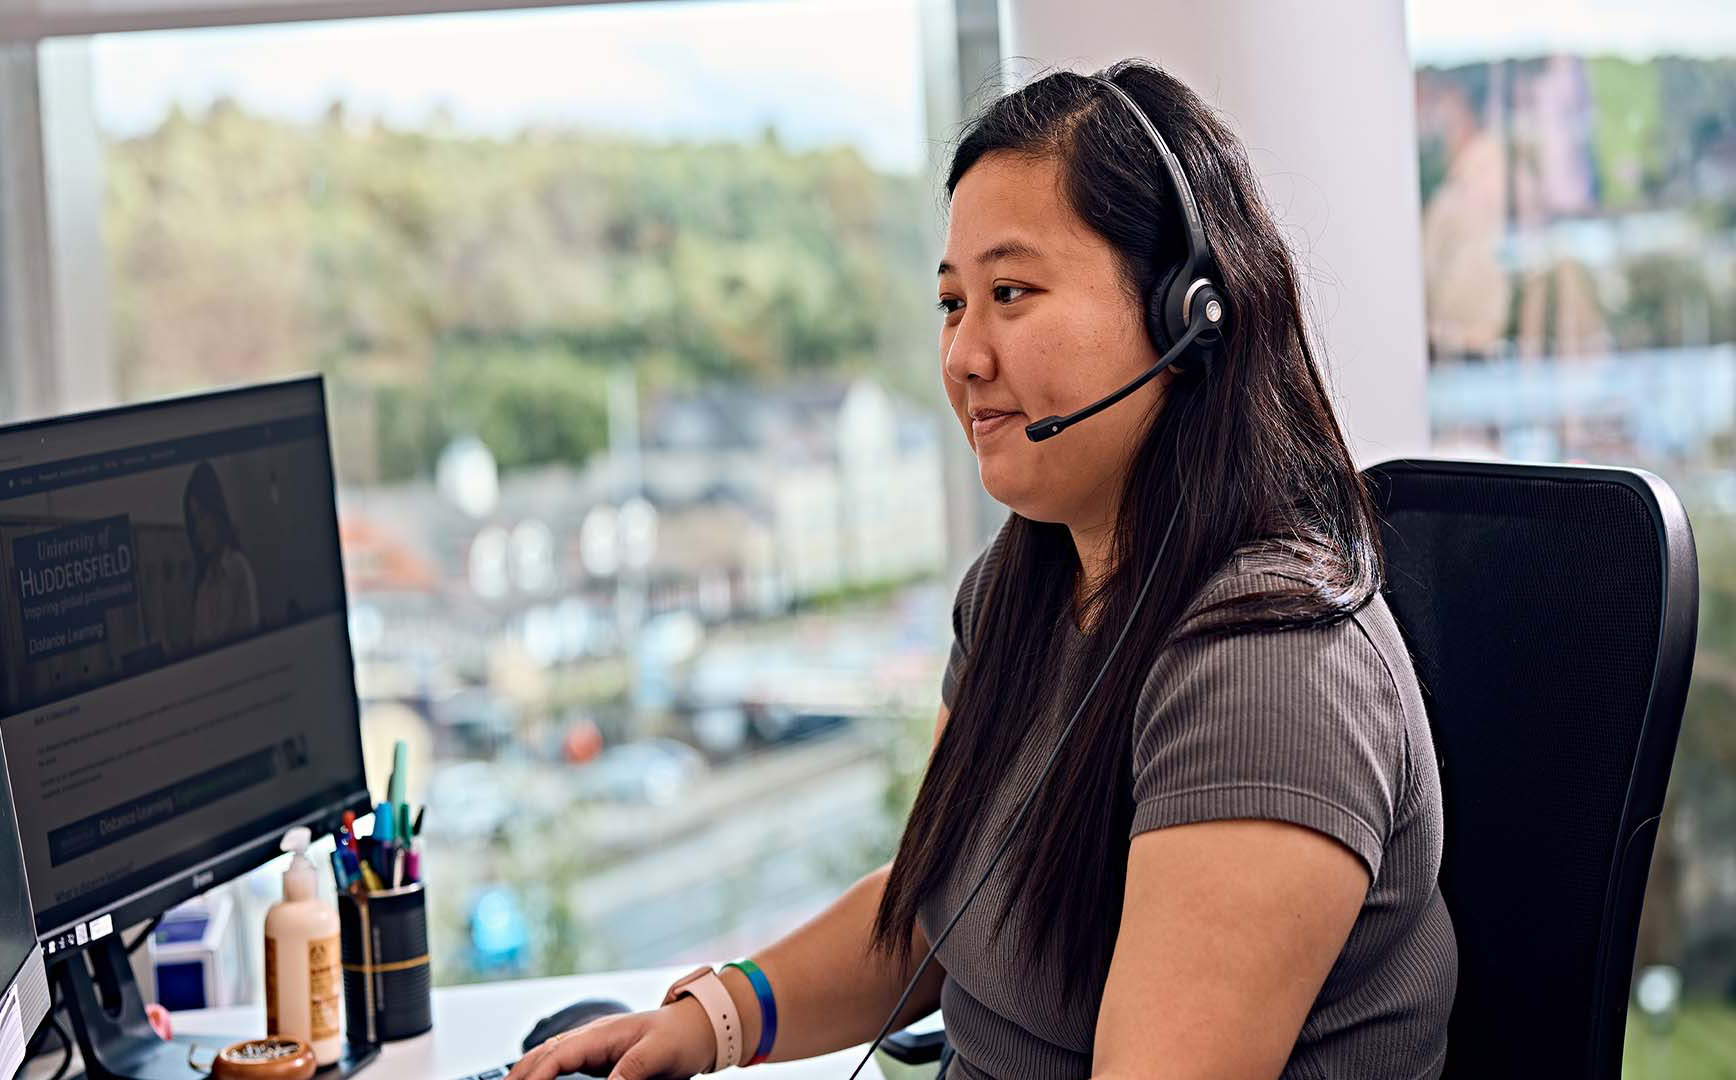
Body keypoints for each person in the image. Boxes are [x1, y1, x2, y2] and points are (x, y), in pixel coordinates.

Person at [508, 60, 1455, 1080]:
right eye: (953, 303)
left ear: (1189, 316)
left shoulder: (1269, 675)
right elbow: (943, 906)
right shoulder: (1027, 583)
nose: (962, 354)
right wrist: (708, 1023)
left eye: (1011, 292)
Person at [183, 460, 261, 648]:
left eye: (202, 517)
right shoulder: (203, 585)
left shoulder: (238, 568)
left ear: (216, 512)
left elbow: (250, 646)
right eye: (194, 523)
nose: (198, 531)